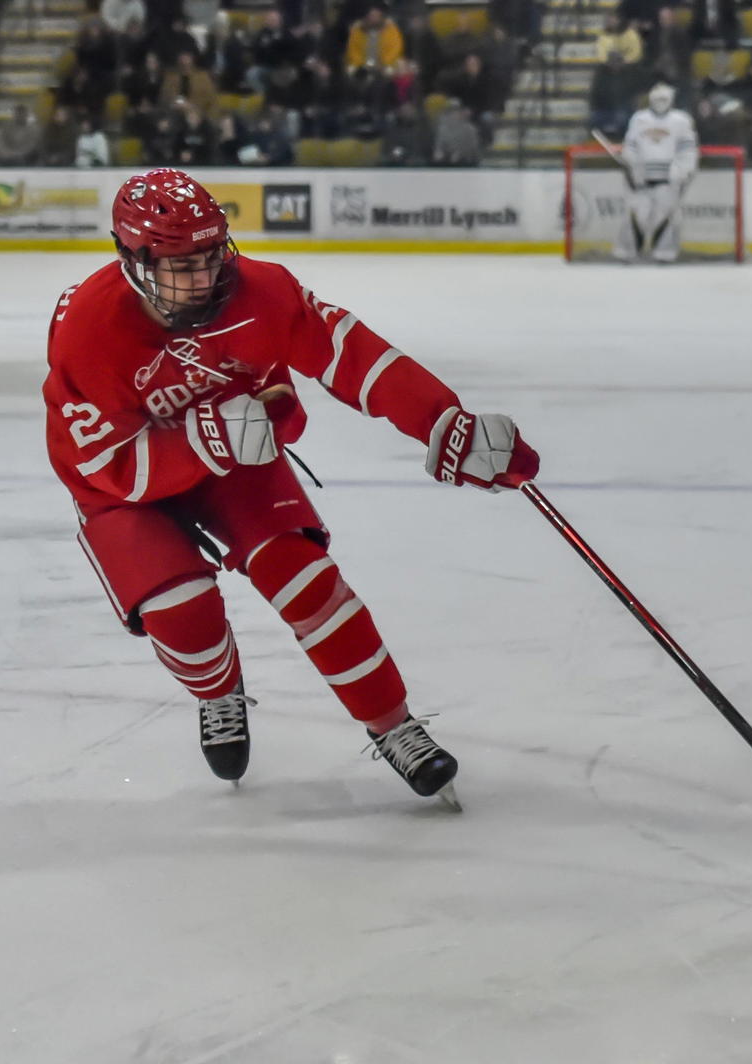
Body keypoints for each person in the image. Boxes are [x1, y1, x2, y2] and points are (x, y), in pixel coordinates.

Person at [43, 169, 540, 804]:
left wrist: (441, 419)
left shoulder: (261, 289)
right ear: (132, 260)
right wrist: (203, 440)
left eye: (211, 255)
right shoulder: (89, 327)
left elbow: (348, 352)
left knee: (305, 578)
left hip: (235, 452)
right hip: (124, 482)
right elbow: (100, 462)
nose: (203, 277)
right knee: (181, 610)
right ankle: (218, 691)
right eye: (180, 265)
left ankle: (394, 726)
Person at [613, 82, 698, 264]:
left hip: (668, 178)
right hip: (642, 178)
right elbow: (631, 145)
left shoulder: (681, 120)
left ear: (671, 100)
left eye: (664, 98)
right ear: (650, 99)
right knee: (637, 213)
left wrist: (682, 171)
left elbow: (688, 149)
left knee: (665, 216)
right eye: (657, 98)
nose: (661, 102)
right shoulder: (639, 119)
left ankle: (664, 254)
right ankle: (626, 252)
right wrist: (633, 165)